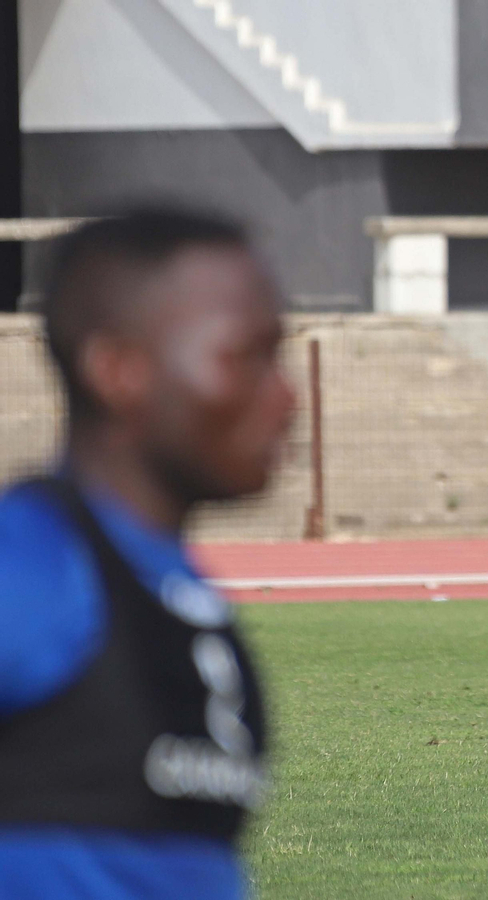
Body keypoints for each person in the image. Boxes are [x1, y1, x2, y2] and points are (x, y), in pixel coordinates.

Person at [0, 210, 293, 898]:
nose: (284, 397)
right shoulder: (32, 567)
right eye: (243, 357)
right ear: (119, 372)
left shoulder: (168, 583)